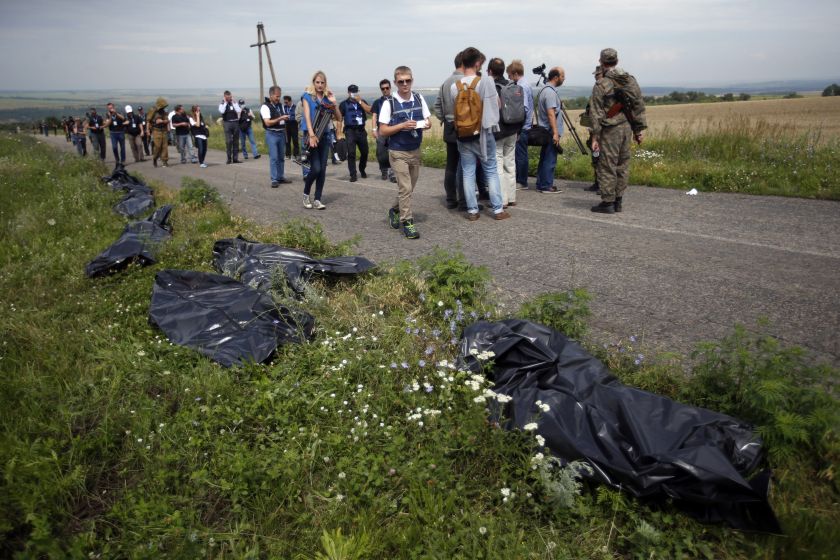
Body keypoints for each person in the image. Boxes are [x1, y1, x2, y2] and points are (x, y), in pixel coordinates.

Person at [451, 47, 510, 221]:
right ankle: (498, 210)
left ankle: (472, 211)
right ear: (477, 63)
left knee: (468, 171)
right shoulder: (486, 82)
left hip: (463, 134)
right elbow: (495, 108)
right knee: (491, 171)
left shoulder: (455, 87)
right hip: (483, 134)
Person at [589, 48, 647, 214]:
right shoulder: (630, 81)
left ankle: (608, 202)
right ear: (617, 61)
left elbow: (596, 113)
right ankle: (618, 200)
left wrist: (595, 136)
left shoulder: (602, 84)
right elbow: (638, 105)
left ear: (601, 62)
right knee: (622, 165)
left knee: (607, 165)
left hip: (610, 130)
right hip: (627, 127)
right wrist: (639, 129)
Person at [378, 65, 431, 239]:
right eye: (401, 82)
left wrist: (425, 124)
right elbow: (382, 131)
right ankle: (407, 222)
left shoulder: (418, 98)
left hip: (415, 149)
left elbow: (428, 120)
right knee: (405, 187)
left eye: (408, 81)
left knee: (408, 188)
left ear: (412, 80)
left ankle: (394, 210)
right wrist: (401, 126)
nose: (405, 84)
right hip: (397, 151)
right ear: (395, 83)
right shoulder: (389, 103)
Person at [300, 70, 341, 210]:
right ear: (313, 82)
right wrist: (311, 135)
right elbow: (307, 116)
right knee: (316, 168)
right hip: (311, 135)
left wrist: (333, 103)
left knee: (322, 170)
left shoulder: (326, 99)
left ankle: (317, 198)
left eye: (322, 82)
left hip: (325, 135)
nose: (320, 85)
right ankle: (306, 194)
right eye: (317, 82)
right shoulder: (307, 97)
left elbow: (339, 117)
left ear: (325, 84)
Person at [433, 51, 465, 209]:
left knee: (451, 164)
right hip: (465, 126)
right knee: (465, 163)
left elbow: (437, 106)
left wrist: (445, 118)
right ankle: (464, 199)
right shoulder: (466, 81)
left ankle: (451, 198)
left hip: (449, 126)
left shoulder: (445, 83)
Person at [487, 57, 520, 208]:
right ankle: (512, 197)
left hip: (498, 131)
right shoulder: (511, 85)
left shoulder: (491, 87)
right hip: (513, 129)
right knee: (510, 163)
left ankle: (502, 199)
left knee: (498, 165)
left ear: (490, 71)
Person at [534, 66, 565, 194]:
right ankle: (546, 185)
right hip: (550, 131)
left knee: (545, 157)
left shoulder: (545, 90)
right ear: (556, 77)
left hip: (546, 130)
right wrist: (556, 133)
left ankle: (541, 183)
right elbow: (551, 113)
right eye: (563, 76)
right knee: (550, 158)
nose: (564, 79)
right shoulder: (550, 92)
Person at [506, 60, 534, 191]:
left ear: (515, 73)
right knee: (521, 153)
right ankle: (521, 179)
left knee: (520, 154)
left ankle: (522, 181)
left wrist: (518, 127)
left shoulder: (521, 87)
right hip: (525, 125)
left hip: (522, 127)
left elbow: (523, 108)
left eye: (510, 76)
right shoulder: (525, 84)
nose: (509, 78)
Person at [261, 85, 293, 187]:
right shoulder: (265, 106)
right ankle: (274, 179)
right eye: (277, 96)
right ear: (271, 95)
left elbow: (282, 118)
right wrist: (280, 119)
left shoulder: (280, 105)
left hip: (281, 133)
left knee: (281, 157)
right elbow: (267, 123)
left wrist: (285, 119)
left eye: (279, 96)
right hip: (272, 134)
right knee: (274, 157)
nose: (278, 98)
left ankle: (280, 176)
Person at [338, 84, 370, 182]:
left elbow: (370, 111)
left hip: (361, 131)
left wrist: (360, 101)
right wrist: (338, 132)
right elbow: (339, 119)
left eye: (356, 91)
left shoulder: (362, 101)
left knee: (365, 152)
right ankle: (353, 174)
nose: (354, 93)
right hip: (350, 131)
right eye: (353, 92)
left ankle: (362, 169)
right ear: (348, 92)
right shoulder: (343, 104)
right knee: (351, 153)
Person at [583, 65, 604, 193]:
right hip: (594, 129)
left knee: (601, 158)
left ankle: (603, 184)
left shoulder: (604, 90)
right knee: (596, 158)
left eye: (598, 74)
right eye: (595, 75)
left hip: (602, 130)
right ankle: (597, 182)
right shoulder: (596, 89)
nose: (596, 77)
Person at [370, 79, 394, 182]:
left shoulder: (395, 100)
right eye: (383, 88)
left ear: (390, 88)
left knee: (394, 151)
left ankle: (393, 173)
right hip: (381, 130)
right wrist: (374, 129)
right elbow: (374, 116)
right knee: (381, 152)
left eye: (387, 88)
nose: (385, 90)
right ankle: (384, 170)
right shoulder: (377, 102)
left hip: (393, 129)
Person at [218, 91, 241, 164]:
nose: (230, 98)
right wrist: (225, 103)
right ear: (225, 97)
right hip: (227, 123)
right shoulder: (222, 104)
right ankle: (229, 158)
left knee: (236, 141)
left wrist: (234, 103)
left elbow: (239, 110)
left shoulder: (233, 102)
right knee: (229, 141)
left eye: (230, 97)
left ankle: (235, 158)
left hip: (235, 122)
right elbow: (222, 111)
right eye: (228, 97)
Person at [147, 97, 170, 167]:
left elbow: (167, 120)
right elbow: (148, 121)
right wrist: (147, 130)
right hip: (156, 130)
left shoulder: (164, 112)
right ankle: (155, 158)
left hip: (164, 130)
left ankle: (165, 161)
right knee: (157, 146)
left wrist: (163, 121)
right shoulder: (153, 110)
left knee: (165, 147)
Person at [282, 95, 299, 160]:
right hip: (286, 125)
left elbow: (296, 116)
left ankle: (296, 154)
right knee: (287, 140)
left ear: (290, 101)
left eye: (286, 102)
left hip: (294, 124)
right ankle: (288, 154)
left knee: (295, 140)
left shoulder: (295, 107)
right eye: (285, 102)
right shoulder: (284, 107)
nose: (285, 104)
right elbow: (283, 114)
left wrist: (288, 117)